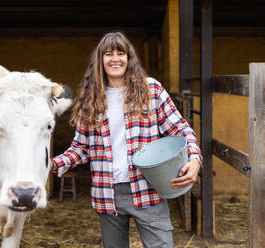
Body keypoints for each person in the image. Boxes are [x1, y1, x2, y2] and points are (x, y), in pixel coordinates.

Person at [51, 32, 202, 248]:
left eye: (121, 53)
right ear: (100, 60)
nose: (115, 59)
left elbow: (180, 128)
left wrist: (195, 159)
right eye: (108, 54)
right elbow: (81, 148)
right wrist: (54, 163)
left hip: (147, 188)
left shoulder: (151, 90)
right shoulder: (90, 99)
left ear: (129, 58)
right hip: (107, 193)